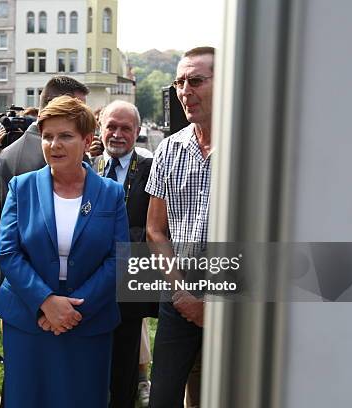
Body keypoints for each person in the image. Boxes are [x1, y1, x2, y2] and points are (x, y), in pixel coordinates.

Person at [0, 95, 130, 407]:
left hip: (88, 320)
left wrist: (73, 309)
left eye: (65, 136)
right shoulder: (21, 186)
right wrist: (45, 302)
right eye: (48, 136)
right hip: (29, 320)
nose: (54, 144)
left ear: (87, 140)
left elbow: (119, 258)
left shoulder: (110, 193)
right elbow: (8, 252)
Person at [145, 46, 216, 408]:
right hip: (179, 297)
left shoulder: (252, 146)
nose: (185, 90)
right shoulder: (169, 149)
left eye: (196, 80)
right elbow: (155, 231)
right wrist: (183, 294)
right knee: (163, 397)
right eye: (180, 81)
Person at [91, 100, 157, 408]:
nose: (117, 134)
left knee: (124, 372)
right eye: (111, 127)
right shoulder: (86, 167)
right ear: (100, 128)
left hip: (129, 289)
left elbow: (154, 229)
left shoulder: (151, 170)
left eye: (125, 128)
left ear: (138, 132)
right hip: (87, 284)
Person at [0, 76, 90, 211]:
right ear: (54, 104)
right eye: (77, 109)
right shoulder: (63, 154)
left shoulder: (6, 153)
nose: (84, 116)